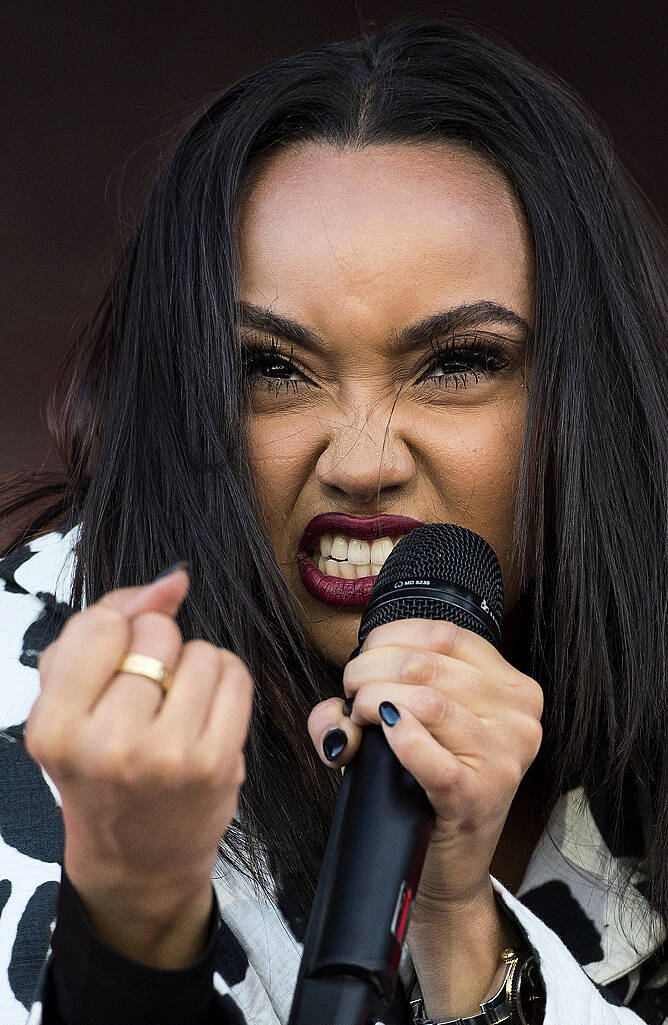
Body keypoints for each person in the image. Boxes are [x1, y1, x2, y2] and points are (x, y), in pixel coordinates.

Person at [0, 14, 666, 1025]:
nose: (361, 460)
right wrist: (131, 932)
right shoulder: (32, 694)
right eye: (270, 368)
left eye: (458, 363)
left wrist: (461, 934)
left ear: (586, 395)